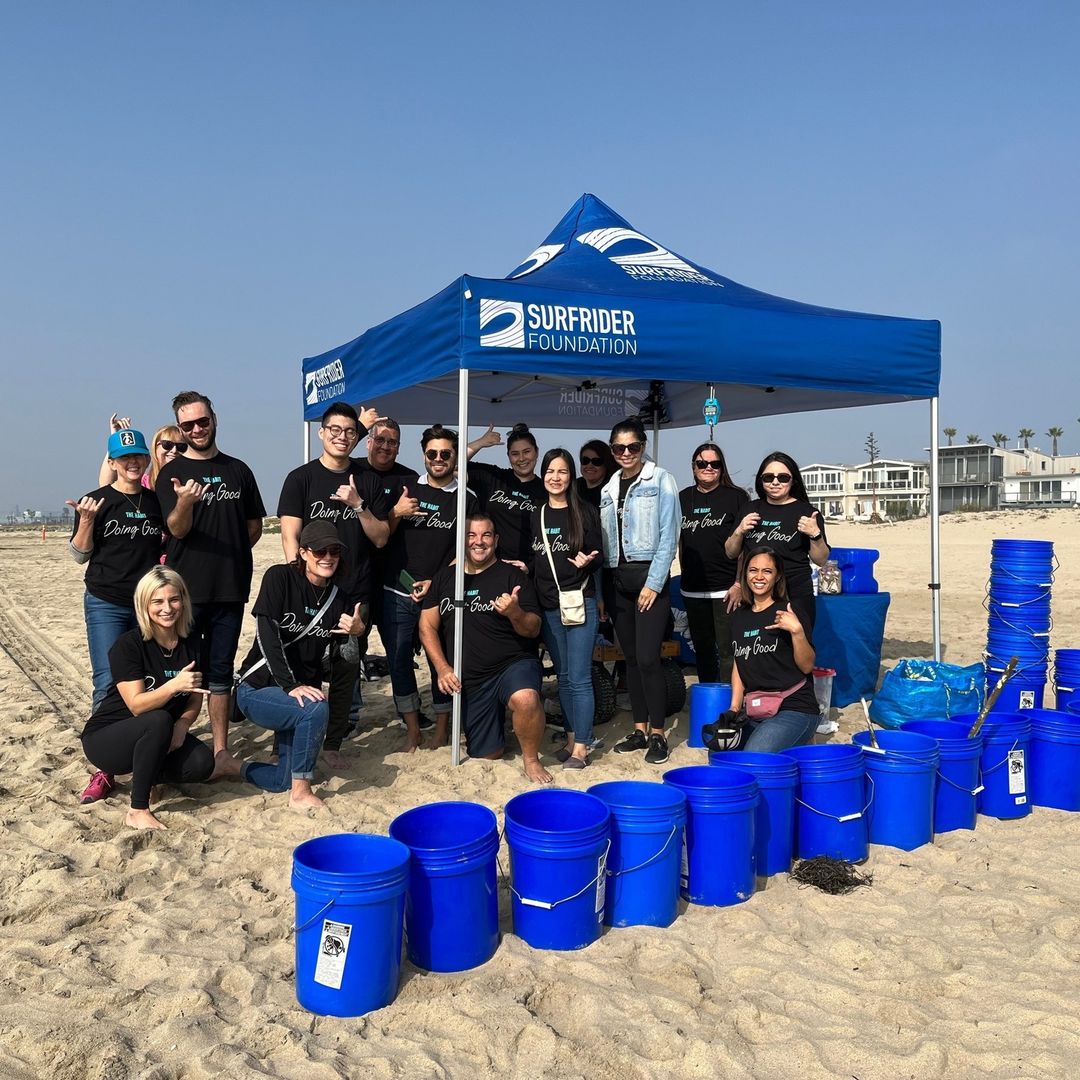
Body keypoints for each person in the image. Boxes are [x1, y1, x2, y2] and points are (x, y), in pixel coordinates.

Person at [277, 403, 391, 767]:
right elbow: (290, 534)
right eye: (335, 430)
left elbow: (381, 537)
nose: (342, 437)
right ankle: (295, 733)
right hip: (308, 592)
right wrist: (298, 581)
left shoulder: (367, 479)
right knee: (303, 664)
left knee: (346, 668)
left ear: (358, 437)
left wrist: (358, 505)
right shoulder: (300, 478)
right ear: (322, 433)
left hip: (353, 592)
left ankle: (335, 740)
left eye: (350, 432)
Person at [156, 391, 266, 759]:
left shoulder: (239, 470)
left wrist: (231, 553)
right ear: (181, 429)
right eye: (188, 425)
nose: (197, 429)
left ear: (214, 419)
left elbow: (254, 527)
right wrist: (185, 502)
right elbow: (176, 529)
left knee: (220, 670)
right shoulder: (171, 474)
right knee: (181, 671)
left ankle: (220, 751)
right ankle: (169, 746)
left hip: (230, 589)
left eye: (202, 421)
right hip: (185, 594)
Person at [79, 567, 227, 829]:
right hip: (107, 738)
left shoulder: (194, 643)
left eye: (174, 599)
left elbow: (194, 697)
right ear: (144, 605)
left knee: (202, 763)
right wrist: (173, 685)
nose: (167, 608)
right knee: (158, 719)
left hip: (158, 733)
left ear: (183, 601)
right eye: (157, 602)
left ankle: (150, 774)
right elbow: (137, 706)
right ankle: (137, 809)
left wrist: (183, 725)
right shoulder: (129, 645)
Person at [235, 522, 366, 810]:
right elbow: (267, 635)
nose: (328, 557)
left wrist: (357, 632)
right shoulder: (279, 577)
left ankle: (231, 767)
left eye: (334, 551)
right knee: (316, 708)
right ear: (304, 553)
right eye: (320, 551)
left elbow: (346, 665)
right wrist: (290, 685)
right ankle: (301, 792)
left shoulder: (340, 599)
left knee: (282, 779)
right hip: (258, 688)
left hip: (297, 698)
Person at [419, 513, 551, 784]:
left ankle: (531, 759)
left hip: (512, 664)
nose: (478, 542)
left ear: (496, 540)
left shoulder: (512, 576)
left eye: (486, 535)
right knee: (487, 754)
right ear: (462, 540)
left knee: (526, 699)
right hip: (473, 680)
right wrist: (442, 668)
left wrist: (515, 613)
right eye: (471, 535)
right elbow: (426, 626)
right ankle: (499, 728)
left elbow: (533, 628)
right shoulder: (446, 578)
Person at [381, 423, 477, 751]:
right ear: (423, 455)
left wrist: (435, 583)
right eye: (432, 453)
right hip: (397, 591)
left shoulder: (466, 499)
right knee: (399, 661)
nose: (438, 459)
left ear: (455, 457)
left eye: (445, 454)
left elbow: (468, 549)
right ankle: (412, 728)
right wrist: (396, 512)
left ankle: (441, 728)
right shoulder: (405, 488)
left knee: (442, 661)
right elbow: (380, 534)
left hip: (440, 594)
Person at [68, 427, 166, 720]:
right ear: (112, 462)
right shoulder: (95, 501)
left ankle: (140, 737)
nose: (132, 462)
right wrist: (87, 520)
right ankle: (102, 740)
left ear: (147, 459)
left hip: (146, 604)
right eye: (124, 458)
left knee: (146, 676)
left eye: (137, 456)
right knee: (108, 679)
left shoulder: (156, 502)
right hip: (105, 602)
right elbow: (79, 555)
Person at [600, 418, 681, 765]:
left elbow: (669, 536)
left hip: (649, 579)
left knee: (649, 659)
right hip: (617, 581)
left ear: (643, 446)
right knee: (630, 659)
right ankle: (639, 729)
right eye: (619, 447)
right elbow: (606, 545)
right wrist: (602, 592)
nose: (626, 453)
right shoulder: (608, 488)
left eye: (633, 446)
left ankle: (659, 733)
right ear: (612, 450)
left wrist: (654, 583)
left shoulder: (661, 480)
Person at [530, 449, 602, 770]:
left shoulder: (584, 512)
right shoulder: (537, 514)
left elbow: (599, 554)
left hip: (580, 602)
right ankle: (572, 739)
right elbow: (533, 557)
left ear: (571, 476)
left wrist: (589, 561)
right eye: (550, 471)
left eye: (562, 471)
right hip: (548, 607)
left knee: (580, 678)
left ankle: (583, 747)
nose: (555, 477)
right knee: (563, 677)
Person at [728, 546, 819, 751]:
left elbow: (807, 666)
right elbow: (739, 662)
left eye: (767, 571)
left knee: (756, 755)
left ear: (777, 577)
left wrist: (797, 631)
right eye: (753, 570)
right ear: (745, 574)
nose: (759, 577)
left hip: (794, 706)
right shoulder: (739, 616)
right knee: (720, 749)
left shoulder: (789, 610)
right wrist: (734, 707)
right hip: (756, 708)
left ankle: (802, 737)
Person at [725, 451, 829, 626]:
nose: (775, 482)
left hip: (795, 594)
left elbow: (821, 560)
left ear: (793, 480)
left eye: (783, 477)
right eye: (768, 477)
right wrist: (739, 531)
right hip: (756, 594)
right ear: (761, 480)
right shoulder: (749, 509)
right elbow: (730, 553)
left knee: (797, 639)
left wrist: (815, 535)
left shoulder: (807, 512)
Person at [678, 442, 748, 684]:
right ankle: (709, 694)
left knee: (729, 650)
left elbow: (745, 545)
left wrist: (739, 584)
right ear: (693, 467)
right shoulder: (682, 498)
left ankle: (731, 698)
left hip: (727, 589)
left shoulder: (737, 497)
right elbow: (679, 542)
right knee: (703, 650)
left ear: (722, 467)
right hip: (692, 589)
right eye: (702, 463)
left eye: (714, 464)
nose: (708, 467)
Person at [466, 422, 546, 566]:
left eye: (527, 451)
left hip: (525, 570)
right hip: (488, 566)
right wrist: (480, 443)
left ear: (537, 452)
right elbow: (452, 465)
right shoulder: (493, 477)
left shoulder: (546, 490)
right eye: (515, 454)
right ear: (508, 456)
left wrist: (530, 568)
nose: (521, 458)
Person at [97, 415, 187, 490]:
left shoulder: (189, 479)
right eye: (167, 444)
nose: (174, 450)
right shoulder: (142, 481)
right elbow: (106, 487)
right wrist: (115, 441)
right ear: (155, 448)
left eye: (181, 446)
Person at [576, 439, 616, 510]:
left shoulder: (612, 490)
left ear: (606, 464)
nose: (590, 465)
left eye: (596, 461)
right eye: (585, 460)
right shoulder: (573, 487)